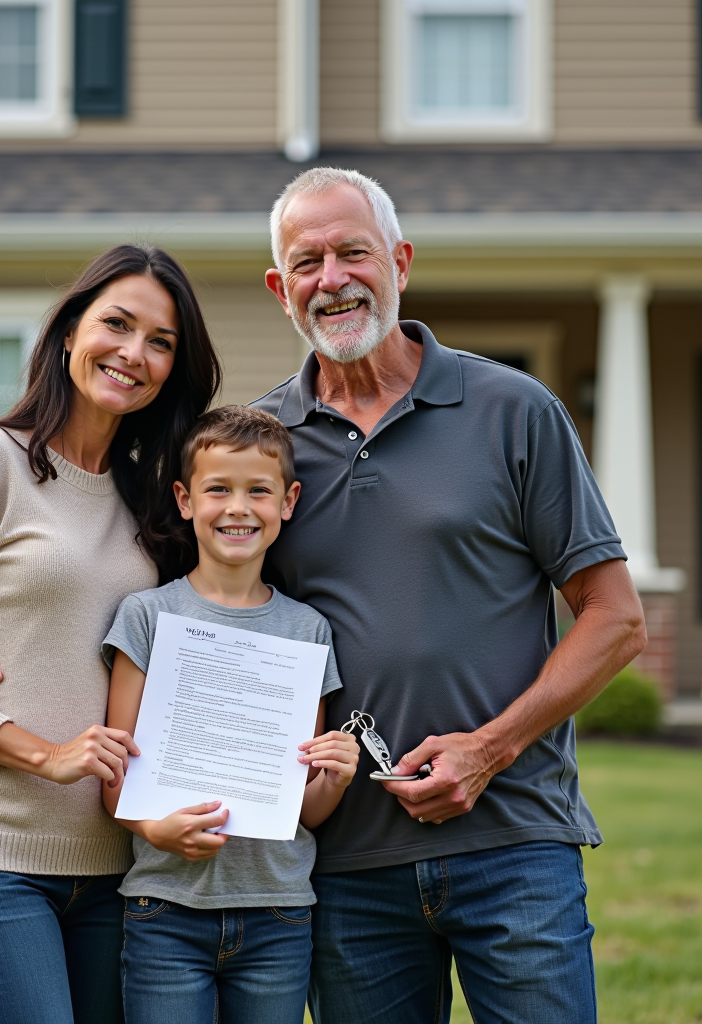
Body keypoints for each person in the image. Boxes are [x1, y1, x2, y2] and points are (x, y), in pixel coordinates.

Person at [251, 167, 647, 1024]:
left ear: (399, 261)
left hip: (515, 847)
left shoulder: (512, 410)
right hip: (346, 864)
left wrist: (491, 749)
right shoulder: (259, 450)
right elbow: (194, 609)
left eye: (353, 252)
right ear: (283, 290)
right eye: (308, 262)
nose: (333, 280)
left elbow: (615, 619)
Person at [0, 244, 221, 1024]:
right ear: (70, 332)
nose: (134, 353)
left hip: (117, 863)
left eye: (161, 341)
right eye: (118, 324)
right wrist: (50, 755)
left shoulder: (152, 501)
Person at [99, 405, 359, 1024]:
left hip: (278, 910)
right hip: (165, 906)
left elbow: (307, 809)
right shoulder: (145, 615)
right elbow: (115, 777)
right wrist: (152, 829)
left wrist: (337, 778)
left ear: (288, 502)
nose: (237, 508)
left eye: (258, 491)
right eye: (218, 489)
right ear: (186, 500)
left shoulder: (308, 629)